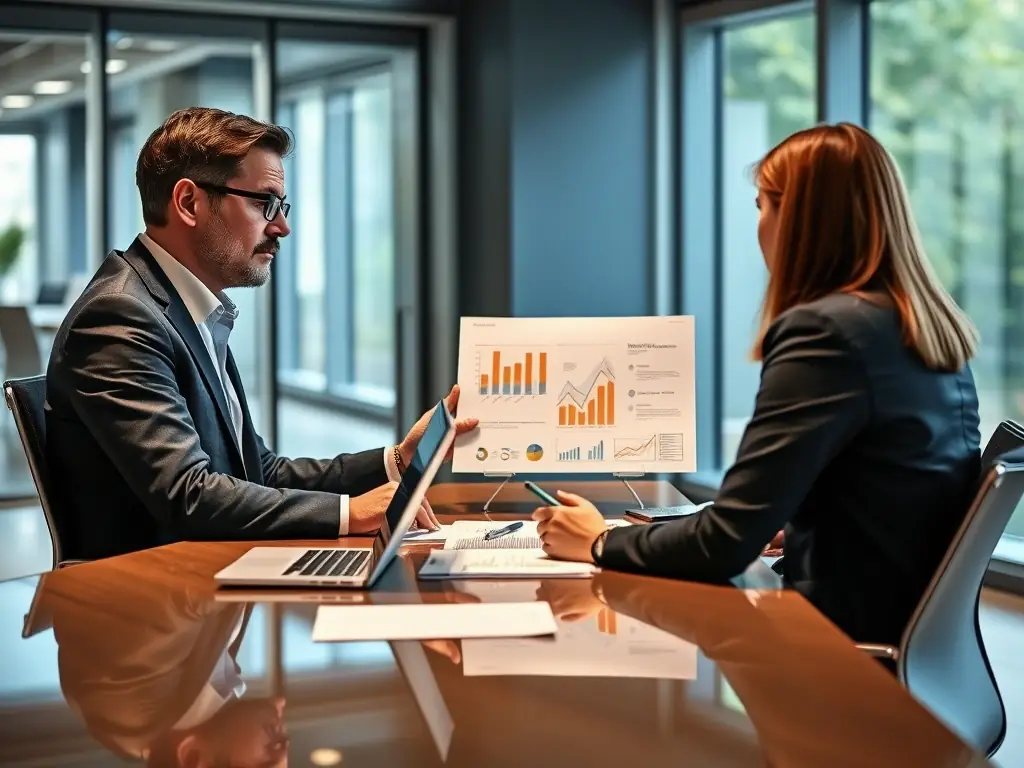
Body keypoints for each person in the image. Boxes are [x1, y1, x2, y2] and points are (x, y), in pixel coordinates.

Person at [533, 122, 981, 646]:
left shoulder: (826, 332)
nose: (759, 224)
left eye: (761, 205)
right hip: (908, 639)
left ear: (798, 219)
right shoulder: (921, 325)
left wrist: (600, 540)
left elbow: (724, 544)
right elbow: (893, 493)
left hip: (834, 653)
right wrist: (805, 520)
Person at [46, 106, 477, 561]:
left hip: (201, 586)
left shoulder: (188, 310)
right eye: (263, 203)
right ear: (189, 203)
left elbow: (259, 471)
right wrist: (349, 512)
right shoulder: (120, 317)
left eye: (281, 206)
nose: (282, 226)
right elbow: (188, 495)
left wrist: (396, 461)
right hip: (148, 602)